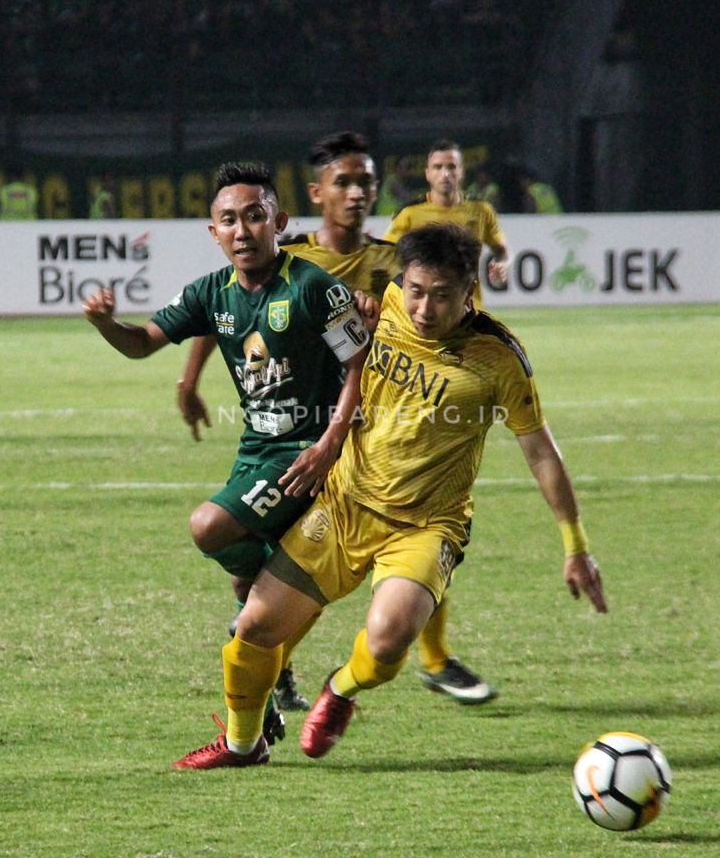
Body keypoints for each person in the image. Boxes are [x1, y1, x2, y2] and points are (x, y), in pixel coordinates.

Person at [172, 223, 607, 769]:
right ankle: (242, 746)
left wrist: (576, 545)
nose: (424, 307)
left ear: (469, 289)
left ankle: (341, 688)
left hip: (426, 526)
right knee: (253, 630)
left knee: (386, 642)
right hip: (344, 504)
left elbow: (541, 452)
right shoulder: (386, 306)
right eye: (418, 290)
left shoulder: (499, 358)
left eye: (442, 295)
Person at [178, 132, 498, 709]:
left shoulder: (393, 260)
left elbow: (439, 319)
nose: (357, 195)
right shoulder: (289, 254)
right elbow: (227, 307)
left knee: (413, 525)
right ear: (315, 192)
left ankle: (429, 657)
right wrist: (190, 376)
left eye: (366, 183)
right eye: (345, 182)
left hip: (376, 426)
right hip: (305, 430)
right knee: (264, 564)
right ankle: (278, 666)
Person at [83, 161, 370, 742]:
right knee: (249, 580)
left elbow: (360, 365)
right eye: (229, 220)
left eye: (255, 216)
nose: (243, 230)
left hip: (304, 456)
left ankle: (263, 640)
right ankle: (266, 670)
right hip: (255, 453)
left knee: (209, 526)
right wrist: (106, 324)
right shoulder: (210, 295)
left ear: (280, 222)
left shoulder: (313, 287)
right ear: (212, 232)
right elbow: (141, 345)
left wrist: (329, 442)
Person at [385, 139, 509, 307]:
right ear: (427, 173)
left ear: (461, 172)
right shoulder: (409, 214)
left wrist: (502, 264)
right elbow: (385, 256)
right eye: (438, 167)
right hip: (426, 315)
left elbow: (501, 250)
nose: (445, 174)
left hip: (470, 312)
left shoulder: (481, 210)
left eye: (451, 167)